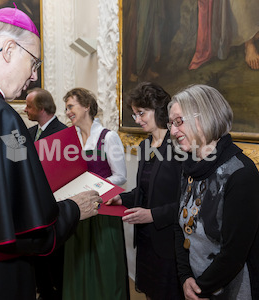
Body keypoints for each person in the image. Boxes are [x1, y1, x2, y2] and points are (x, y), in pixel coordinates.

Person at [0, 6, 102, 300]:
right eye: (34, 62)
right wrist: (75, 209)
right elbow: (30, 227)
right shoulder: (1, 118)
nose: (34, 75)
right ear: (9, 49)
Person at [167, 84, 259, 299]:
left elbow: (234, 254)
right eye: (171, 123)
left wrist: (200, 289)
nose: (172, 131)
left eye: (179, 121)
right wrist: (185, 277)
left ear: (204, 116)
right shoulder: (189, 166)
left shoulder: (241, 174)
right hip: (195, 284)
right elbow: (180, 225)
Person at [106, 82, 184, 300]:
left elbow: (189, 201)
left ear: (158, 110)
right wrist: (121, 198)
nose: (137, 120)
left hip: (170, 242)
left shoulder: (179, 146)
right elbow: (143, 191)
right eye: (134, 115)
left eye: (141, 113)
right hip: (146, 240)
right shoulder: (146, 146)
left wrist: (152, 215)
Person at [62, 87, 129, 300]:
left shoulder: (108, 137)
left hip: (103, 213)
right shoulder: (69, 140)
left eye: (71, 106)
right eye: (66, 108)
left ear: (86, 106)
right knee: (78, 263)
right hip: (77, 212)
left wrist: (93, 188)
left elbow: (120, 175)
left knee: (106, 264)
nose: (68, 112)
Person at [25, 87, 67, 300]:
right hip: (32, 206)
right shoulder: (29, 132)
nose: (25, 110)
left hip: (54, 205)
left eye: (29, 106)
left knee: (55, 260)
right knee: (37, 258)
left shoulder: (63, 132)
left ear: (42, 108)